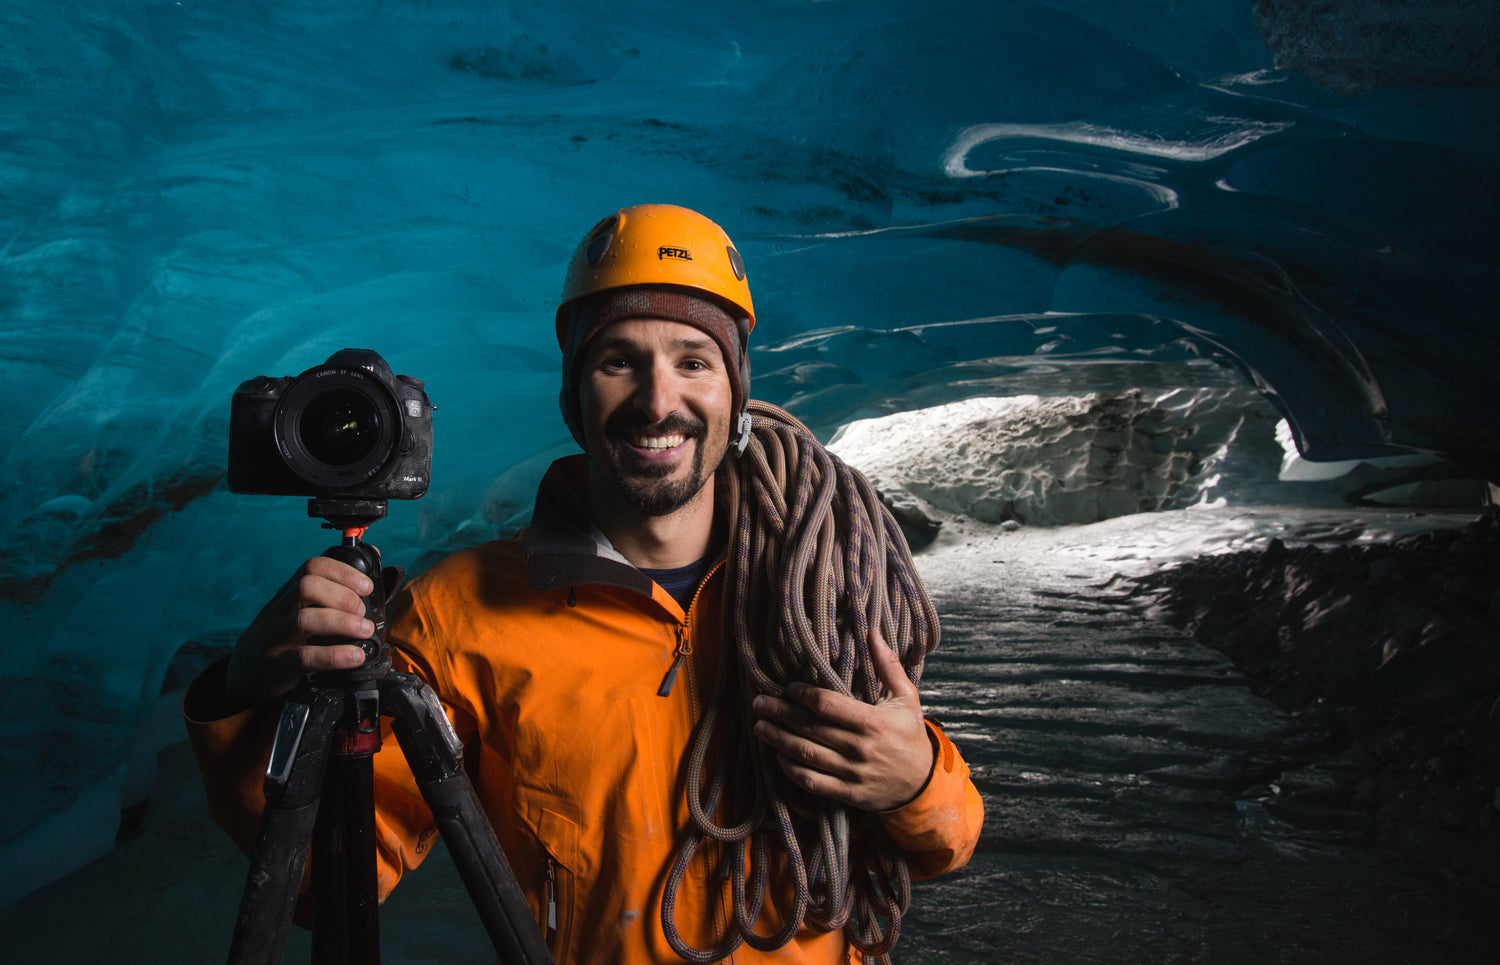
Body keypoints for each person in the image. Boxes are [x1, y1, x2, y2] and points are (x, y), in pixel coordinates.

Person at [184, 204, 984, 962]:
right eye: (617, 361)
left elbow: (946, 841)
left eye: (693, 360)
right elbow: (325, 884)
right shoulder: (460, 616)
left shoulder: (819, 582)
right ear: (573, 394)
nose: (658, 400)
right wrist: (243, 694)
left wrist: (916, 778)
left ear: (736, 390)